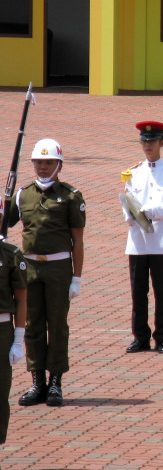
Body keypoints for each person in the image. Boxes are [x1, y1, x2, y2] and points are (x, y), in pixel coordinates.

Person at [5, 138, 85, 407]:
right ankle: (37, 381)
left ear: (59, 165)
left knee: (58, 325)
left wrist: (77, 276)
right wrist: (3, 203)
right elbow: (6, 225)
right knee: (32, 325)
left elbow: (78, 240)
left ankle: (55, 382)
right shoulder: (23, 194)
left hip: (58, 267)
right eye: (38, 162)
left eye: (48, 162)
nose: (42, 167)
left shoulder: (70, 195)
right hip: (29, 267)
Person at [121, 121, 163, 354]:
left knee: (162, 292)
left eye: (152, 141)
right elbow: (126, 202)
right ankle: (140, 337)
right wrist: (131, 216)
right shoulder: (133, 172)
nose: (148, 145)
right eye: (144, 141)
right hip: (138, 241)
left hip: (161, 241)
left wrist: (150, 212)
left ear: (162, 143)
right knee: (138, 292)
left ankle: (161, 337)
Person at [0, 238, 27, 444]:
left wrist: (18, 340)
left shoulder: (10, 255)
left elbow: (21, 299)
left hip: (2, 329)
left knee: (1, 393)